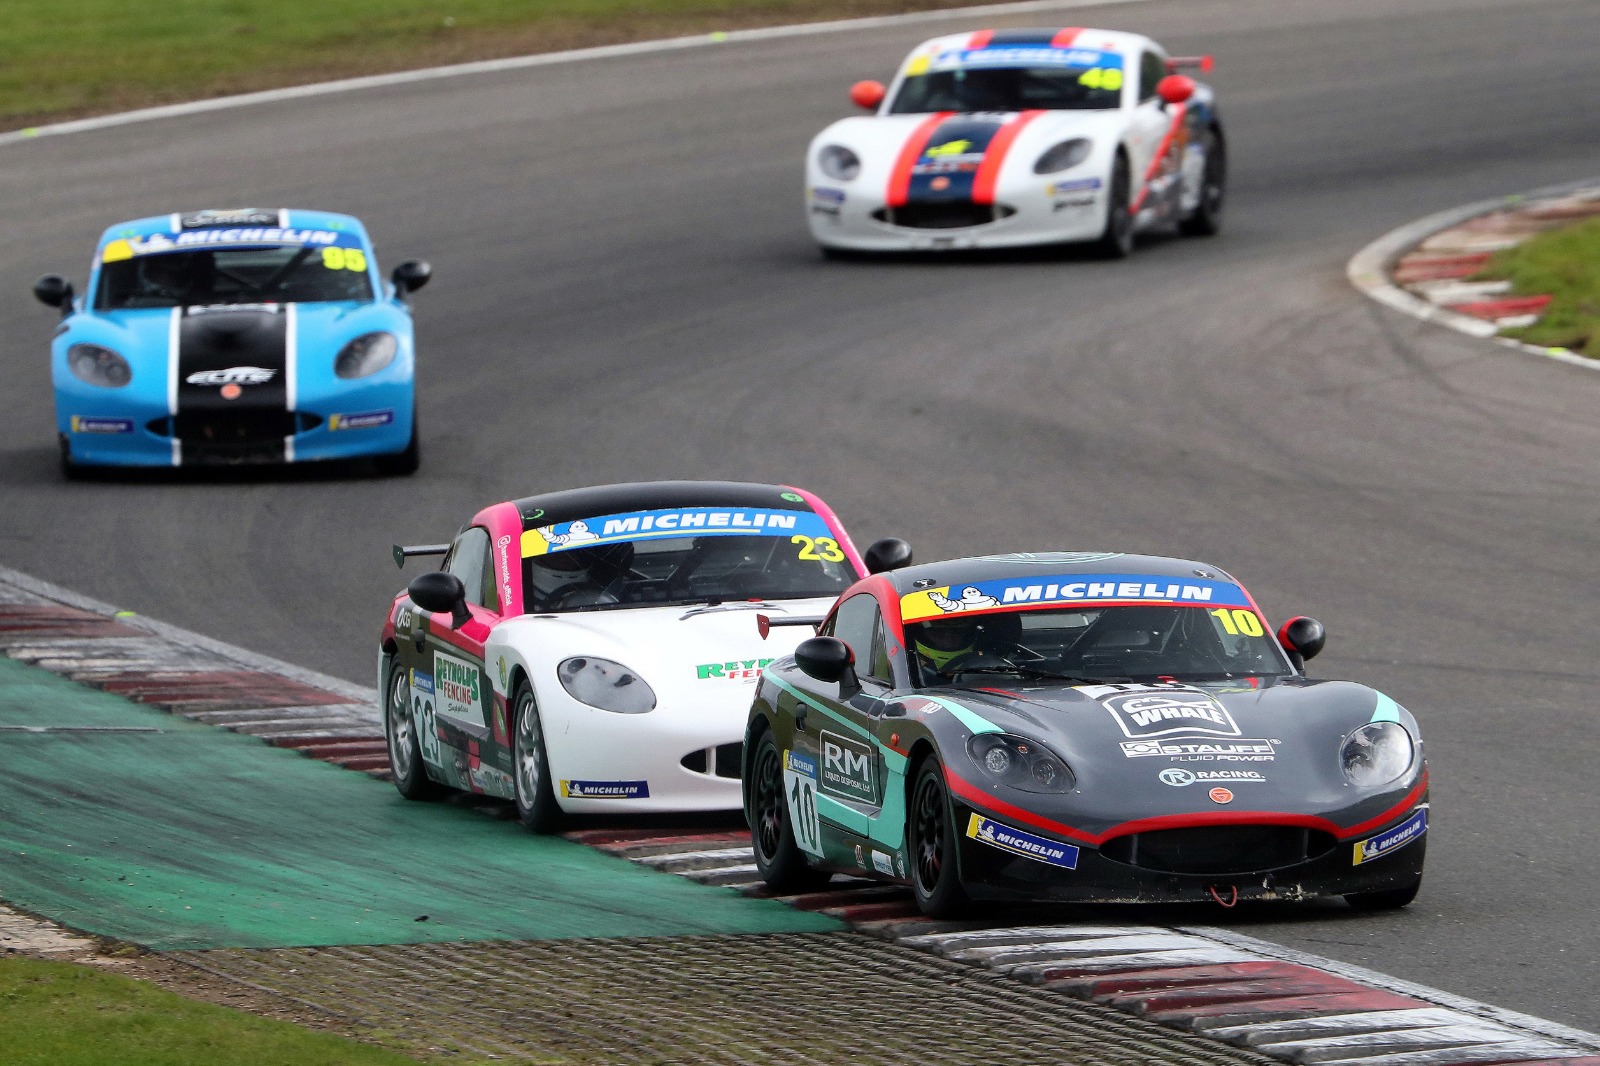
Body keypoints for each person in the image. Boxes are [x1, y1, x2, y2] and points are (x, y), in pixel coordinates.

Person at [911, 617, 979, 674]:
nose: (948, 640)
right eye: (938, 633)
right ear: (922, 635)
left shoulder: (981, 661)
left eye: (956, 633)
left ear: (967, 635)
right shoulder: (906, 668)